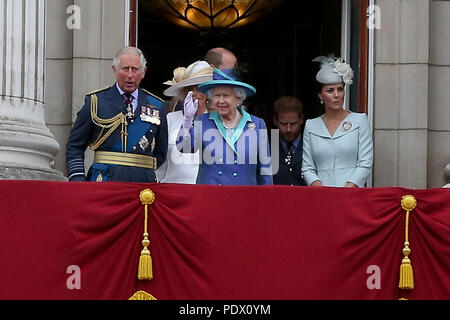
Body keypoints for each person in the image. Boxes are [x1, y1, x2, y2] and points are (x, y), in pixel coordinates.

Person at [66, 46, 168, 182]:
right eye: (125, 69)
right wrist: (78, 178)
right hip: (105, 181)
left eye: (135, 69)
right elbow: (75, 146)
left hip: (142, 183)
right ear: (115, 70)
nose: (130, 75)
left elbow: (160, 154)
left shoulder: (157, 106)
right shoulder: (96, 102)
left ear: (143, 72)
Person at [176, 68, 272, 185]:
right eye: (216, 96)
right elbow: (184, 148)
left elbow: (265, 169)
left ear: (238, 98)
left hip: (245, 198)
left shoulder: (257, 124)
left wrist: (267, 198)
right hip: (211, 197)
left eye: (226, 95)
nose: (220, 101)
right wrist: (187, 120)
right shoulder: (203, 121)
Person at [301, 56, 373, 187]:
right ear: (320, 95)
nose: (336, 95)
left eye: (340, 89)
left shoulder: (359, 120)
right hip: (322, 197)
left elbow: (365, 163)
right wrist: (321, 190)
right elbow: (307, 168)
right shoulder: (311, 125)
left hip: (352, 195)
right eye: (330, 90)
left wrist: (347, 190)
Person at [156, 60, 213, 183]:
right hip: (171, 190)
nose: (194, 93)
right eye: (189, 89)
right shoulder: (169, 119)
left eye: (199, 88)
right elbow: (159, 160)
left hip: (205, 192)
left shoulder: (216, 121)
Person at [272, 96, 306, 186]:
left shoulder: (310, 143)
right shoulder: (267, 144)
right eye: (283, 124)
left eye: (293, 123)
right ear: (275, 121)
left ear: (301, 120)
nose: (288, 129)